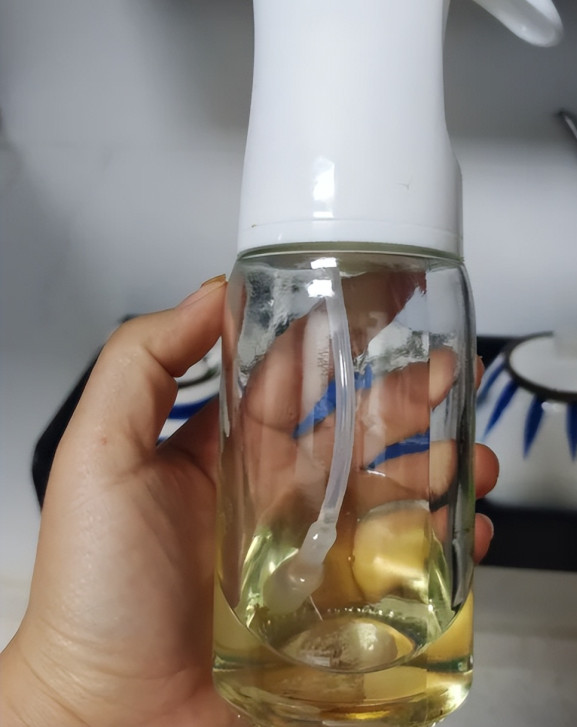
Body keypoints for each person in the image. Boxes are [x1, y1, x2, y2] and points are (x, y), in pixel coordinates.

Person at [0, 276, 499, 727]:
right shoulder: (266, 281)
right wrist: (62, 698)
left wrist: (59, 704)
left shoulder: (439, 281)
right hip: (235, 674)